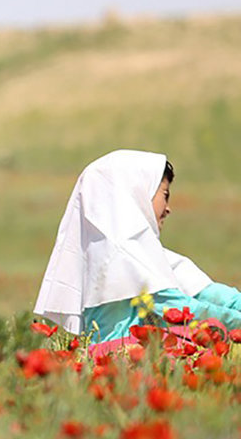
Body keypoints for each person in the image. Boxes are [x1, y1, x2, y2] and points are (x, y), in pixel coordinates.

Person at [34, 150, 241, 353]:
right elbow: (182, 309)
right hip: (126, 365)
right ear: (136, 194)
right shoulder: (120, 256)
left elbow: (207, 293)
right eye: (165, 195)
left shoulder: (137, 255)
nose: (168, 208)